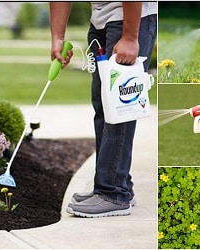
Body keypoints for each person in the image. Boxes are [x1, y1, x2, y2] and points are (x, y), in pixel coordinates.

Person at [49, 2, 157, 218]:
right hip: (101, 21)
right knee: (103, 105)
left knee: (119, 108)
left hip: (129, 19)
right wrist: (57, 37)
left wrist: (129, 37)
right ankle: (118, 182)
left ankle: (113, 192)